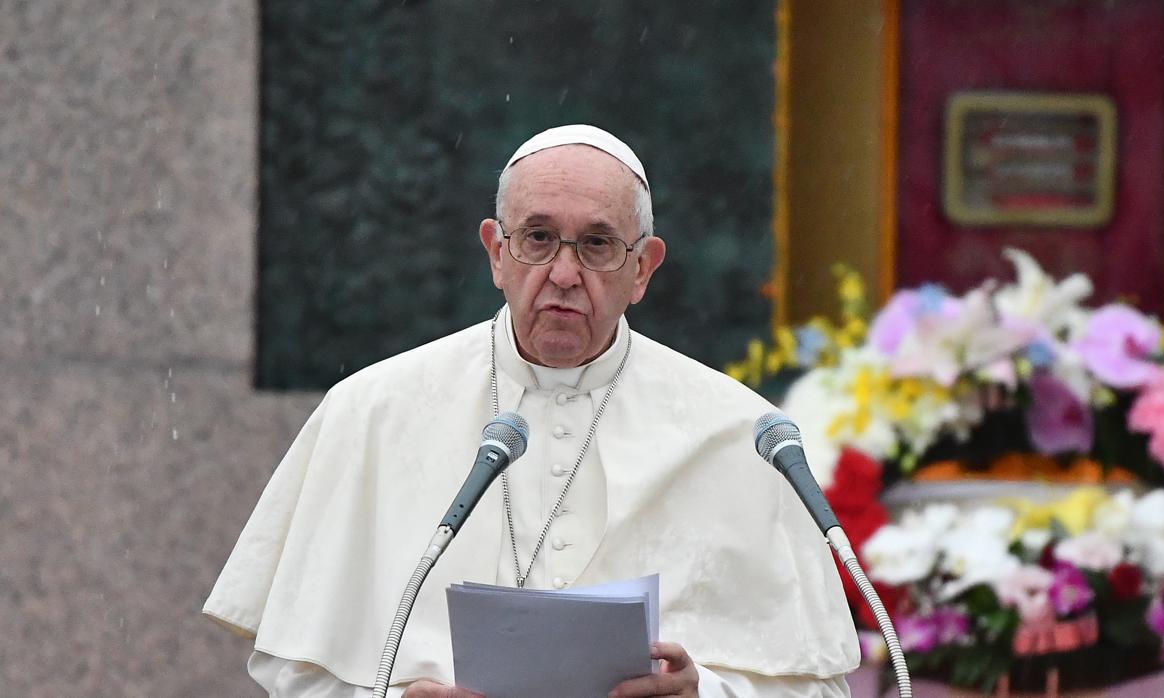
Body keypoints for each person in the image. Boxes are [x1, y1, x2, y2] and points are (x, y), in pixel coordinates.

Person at [204, 125, 860, 697]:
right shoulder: (371, 413)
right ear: (495, 251)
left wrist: (703, 695)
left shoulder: (738, 434)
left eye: (598, 244)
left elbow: (818, 684)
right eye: (538, 238)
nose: (565, 273)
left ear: (643, 269)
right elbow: (293, 670)